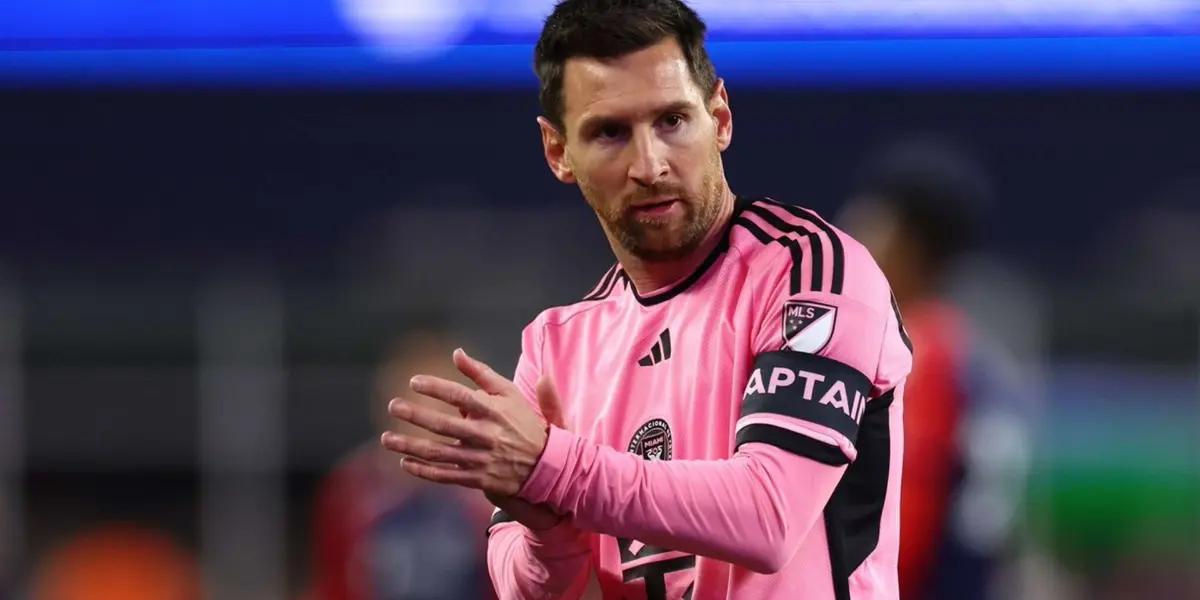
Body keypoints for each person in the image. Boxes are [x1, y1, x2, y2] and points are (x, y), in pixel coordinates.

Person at [380, 1, 913, 598]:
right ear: (558, 152)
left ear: (720, 118)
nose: (650, 164)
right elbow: (529, 589)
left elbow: (769, 518)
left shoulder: (810, 271)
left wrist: (553, 466)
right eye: (610, 132)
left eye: (672, 120)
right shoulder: (557, 347)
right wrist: (544, 527)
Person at [840, 138, 1032, 600]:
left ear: (905, 240)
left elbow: (904, 528)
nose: (849, 231)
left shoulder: (912, 358)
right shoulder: (981, 366)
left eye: (870, 219)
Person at [310, 329, 494, 600]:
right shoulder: (351, 489)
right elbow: (335, 584)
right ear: (389, 408)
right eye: (417, 408)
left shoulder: (491, 493)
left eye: (442, 410)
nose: (429, 425)